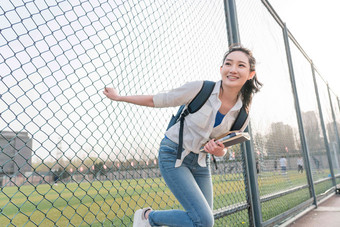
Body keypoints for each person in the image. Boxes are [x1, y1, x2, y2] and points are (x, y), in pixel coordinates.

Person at [103, 45, 262, 227]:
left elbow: (222, 148)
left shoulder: (242, 114)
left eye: (241, 65)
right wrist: (120, 97)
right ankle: (149, 218)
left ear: (250, 74)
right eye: (228, 64)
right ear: (221, 69)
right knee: (203, 221)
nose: (233, 69)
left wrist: (218, 151)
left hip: (201, 162)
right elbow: (157, 100)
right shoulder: (201, 89)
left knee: (201, 223)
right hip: (173, 155)